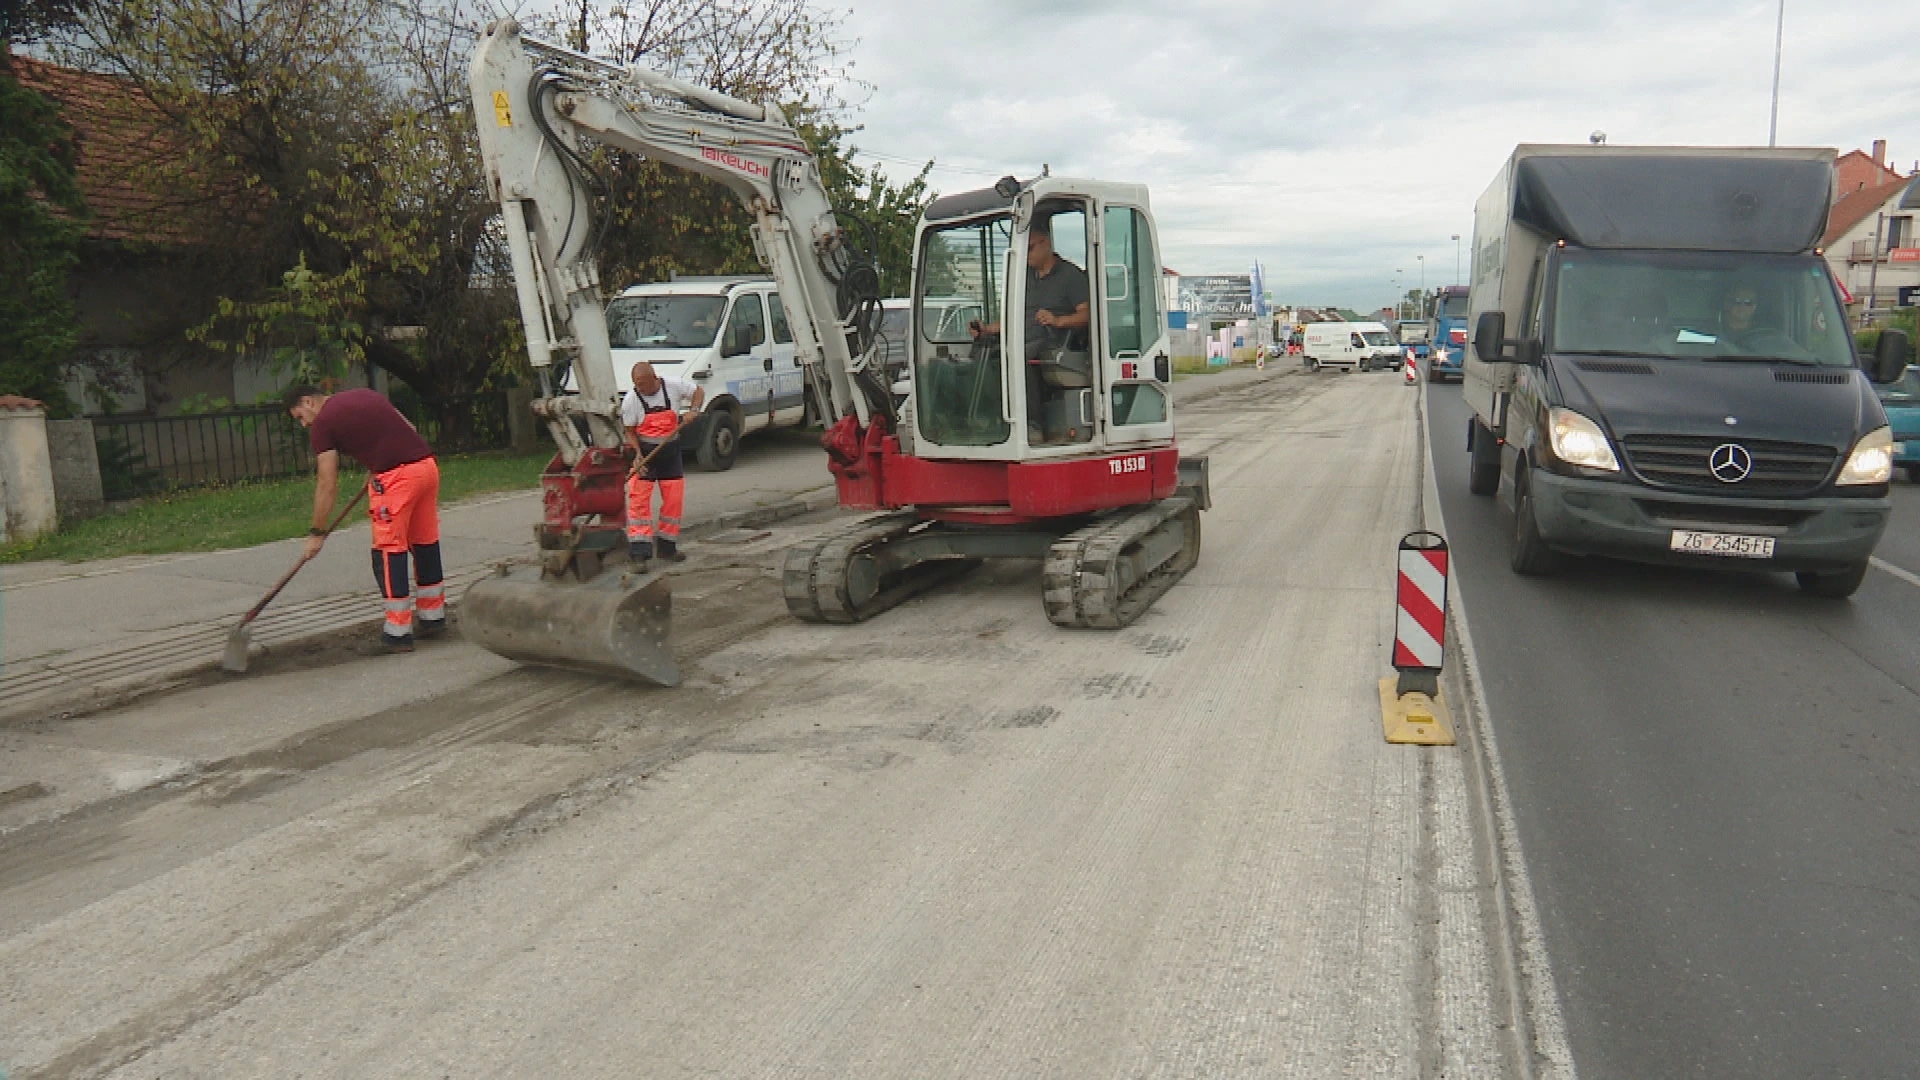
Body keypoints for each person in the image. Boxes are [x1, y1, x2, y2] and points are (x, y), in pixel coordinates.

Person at [285, 384, 442, 653]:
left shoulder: (323, 423)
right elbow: (410, 429)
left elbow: (327, 482)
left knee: (388, 551)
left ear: (308, 402)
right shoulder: (365, 395)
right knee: (424, 543)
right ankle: (433, 617)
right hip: (426, 468)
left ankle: (397, 634)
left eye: (300, 416)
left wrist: (316, 532)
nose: (303, 424)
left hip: (396, 480)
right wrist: (378, 461)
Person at [969, 213, 1090, 443]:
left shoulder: (1069, 275)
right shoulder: (1026, 278)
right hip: (1024, 336)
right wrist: (986, 330)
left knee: (1020, 358)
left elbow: (1086, 314)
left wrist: (1057, 320)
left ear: (1046, 243)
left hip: (1056, 340)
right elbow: (1015, 317)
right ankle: (991, 419)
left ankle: (1032, 424)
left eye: (1030, 248)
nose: (1026, 255)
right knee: (984, 353)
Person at [622, 360, 705, 567]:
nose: (640, 388)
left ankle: (667, 548)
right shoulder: (632, 400)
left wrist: (694, 410)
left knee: (673, 501)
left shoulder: (674, 386)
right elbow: (629, 432)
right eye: (636, 384)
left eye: (643, 383)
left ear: (654, 377)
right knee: (639, 503)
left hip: (671, 454)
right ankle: (639, 554)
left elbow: (698, 391)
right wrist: (638, 455)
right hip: (646, 456)